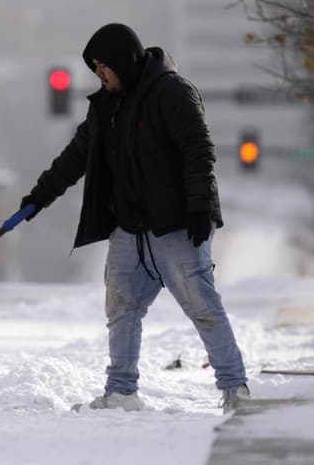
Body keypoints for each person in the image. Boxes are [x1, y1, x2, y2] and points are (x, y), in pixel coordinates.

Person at [20, 23, 249, 411]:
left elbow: (199, 151)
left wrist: (198, 208)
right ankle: (122, 392)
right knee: (121, 307)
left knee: (202, 307)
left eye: (102, 66)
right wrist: (39, 197)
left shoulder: (172, 92)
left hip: (176, 224)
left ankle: (235, 390)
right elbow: (76, 157)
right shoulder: (106, 106)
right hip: (129, 228)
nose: (99, 74)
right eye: (94, 69)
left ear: (123, 61)